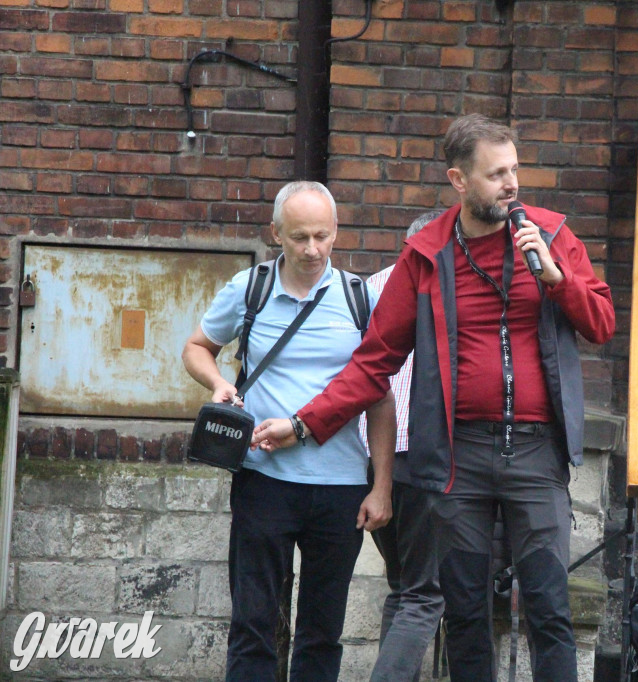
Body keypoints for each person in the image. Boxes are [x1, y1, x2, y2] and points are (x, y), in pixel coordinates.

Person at [251, 113, 616, 682]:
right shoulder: (426, 254)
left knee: (548, 606)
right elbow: (374, 361)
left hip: (537, 453)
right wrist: (303, 425)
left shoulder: (552, 235)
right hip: (458, 456)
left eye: (515, 169)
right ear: (459, 180)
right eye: (497, 174)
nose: (512, 184)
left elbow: (602, 323)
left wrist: (556, 278)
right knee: (465, 610)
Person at [181, 180, 396, 681]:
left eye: (322, 235)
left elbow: (379, 398)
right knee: (254, 623)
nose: (312, 249)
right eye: (299, 237)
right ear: (275, 232)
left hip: (341, 486)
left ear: (337, 231)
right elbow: (197, 347)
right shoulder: (249, 288)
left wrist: (381, 486)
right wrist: (216, 383)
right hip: (263, 481)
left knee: (322, 632)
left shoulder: (359, 298)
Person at [358, 209, 445, 682]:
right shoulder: (450, 288)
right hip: (425, 457)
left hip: (371, 457)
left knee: (404, 586)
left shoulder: (370, 288)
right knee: (425, 593)